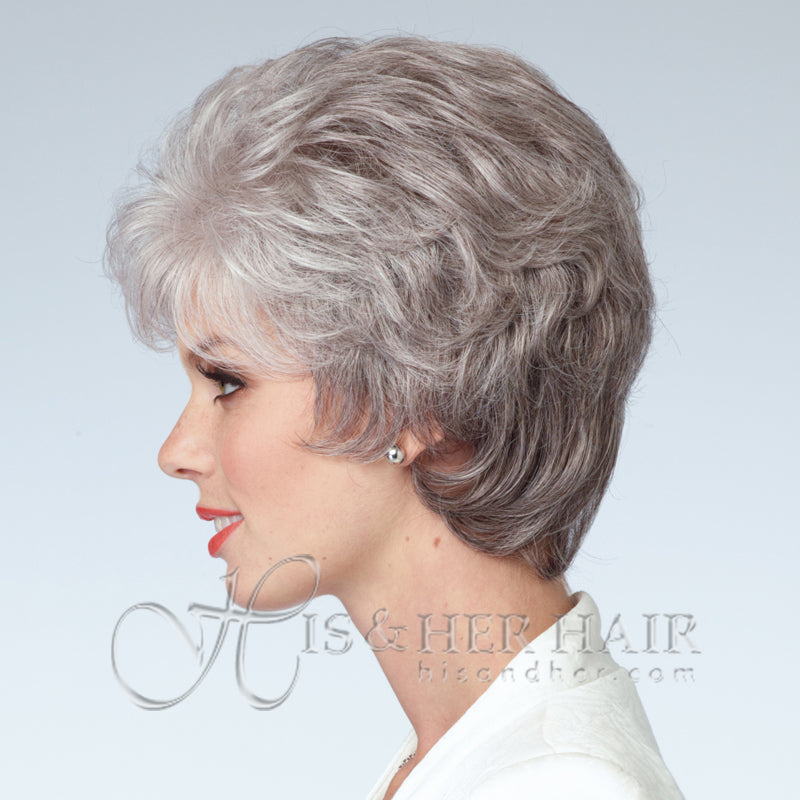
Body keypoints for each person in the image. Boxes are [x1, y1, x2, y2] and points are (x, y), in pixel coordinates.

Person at [105, 35, 684, 799]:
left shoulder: (558, 783)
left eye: (228, 382)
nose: (176, 451)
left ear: (420, 397)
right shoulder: (479, 754)